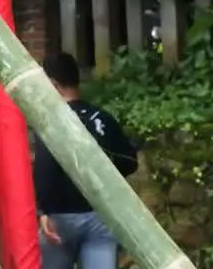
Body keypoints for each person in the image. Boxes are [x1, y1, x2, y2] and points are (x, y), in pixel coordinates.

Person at [34, 53, 138, 269]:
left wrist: (44, 211)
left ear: (53, 84)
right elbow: (129, 161)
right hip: (101, 216)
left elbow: (45, 171)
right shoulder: (102, 118)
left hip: (62, 218)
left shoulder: (50, 121)